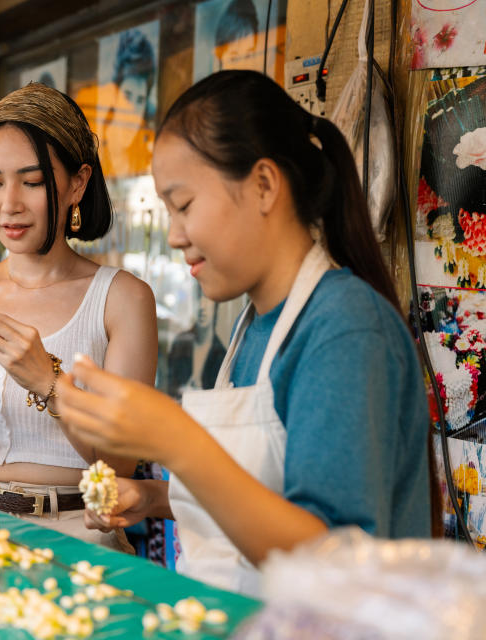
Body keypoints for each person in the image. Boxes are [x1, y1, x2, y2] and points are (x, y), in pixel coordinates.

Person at [56, 71, 432, 594]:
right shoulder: (255, 326)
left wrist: (174, 438)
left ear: (263, 185)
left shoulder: (344, 329)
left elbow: (336, 561)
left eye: (184, 205)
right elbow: (263, 493)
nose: (174, 235)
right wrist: (151, 498)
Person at [0, 83, 158, 550]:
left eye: (33, 181)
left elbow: (117, 468)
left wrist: (50, 383)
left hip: (78, 536)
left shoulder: (122, 300)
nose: (9, 204)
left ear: (77, 183)